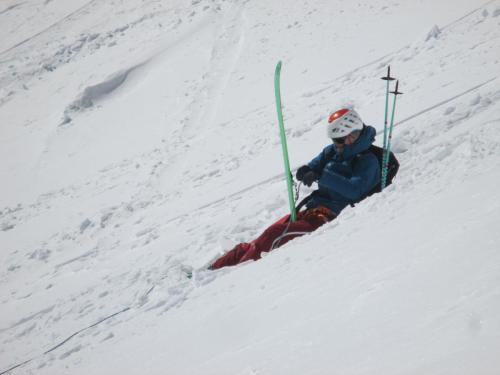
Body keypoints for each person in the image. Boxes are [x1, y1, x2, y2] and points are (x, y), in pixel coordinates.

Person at [209, 108, 381, 270]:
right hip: (311, 211)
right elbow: (314, 166)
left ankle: (234, 276)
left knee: (273, 235)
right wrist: (306, 171)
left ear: (351, 135)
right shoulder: (332, 152)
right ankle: (212, 272)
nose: (336, 145)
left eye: (339, 140)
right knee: (259, 240)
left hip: (328, 218)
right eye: (335, 141)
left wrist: (323, 175)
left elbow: (355, 190)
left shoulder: (368, 161)